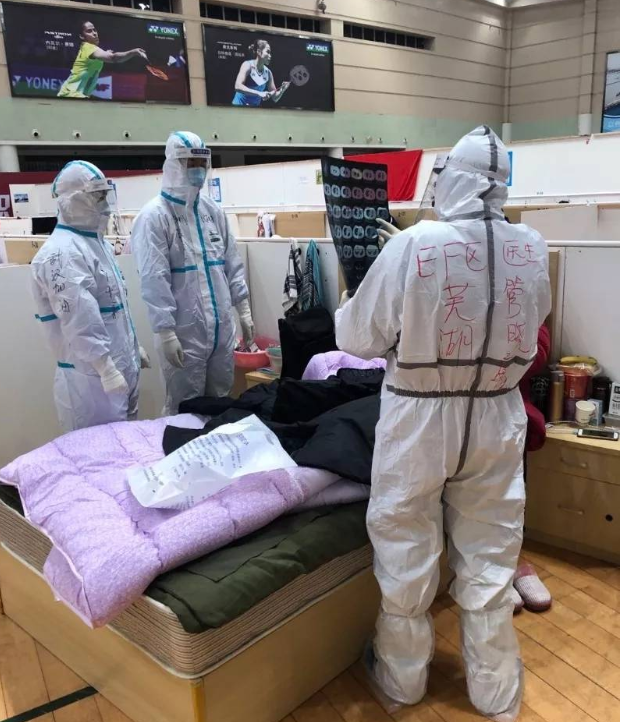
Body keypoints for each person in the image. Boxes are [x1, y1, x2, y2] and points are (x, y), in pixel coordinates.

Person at [336, 126, 551, 720]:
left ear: (451, 177)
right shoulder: (531, 245)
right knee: (492, 548)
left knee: (404, 542)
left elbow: (356, 337)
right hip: (496, 412)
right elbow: (532, 325)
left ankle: (402, 680)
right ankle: (495, 693)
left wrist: (367, 281)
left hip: (419, 415)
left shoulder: (414, 244)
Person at [131, 131, 253, 414]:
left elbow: (231, 263)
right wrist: (165, 332)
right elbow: (154, 280)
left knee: (220, 403)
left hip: (221, 331)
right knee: (184, 410)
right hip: (184, 335)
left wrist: (244, 309)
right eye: (190, 163)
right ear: (174, 164)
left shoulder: (212, 211)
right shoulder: (154, 217)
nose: (198, 170)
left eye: (201, 163)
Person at [31, 161, 149, 432]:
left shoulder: (96, 243)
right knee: (99, 448)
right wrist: (105, 367)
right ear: (71, 200)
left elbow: (114, 309)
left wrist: (133, 349)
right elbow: (80, 320)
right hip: (90, 383)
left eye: (105, 195)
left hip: (117, 370)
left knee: (126, 444)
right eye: (96, 196)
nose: (104, 205)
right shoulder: (62, 253)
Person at [57, 20, 148, 99]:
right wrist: (133, 52)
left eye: (94, 30)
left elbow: (99, 56)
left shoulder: (89, 49)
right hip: (71, 94)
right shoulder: (88, 47)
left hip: (76, 95)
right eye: (89, 31)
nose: (94, 33)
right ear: (81, 36)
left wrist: (106, 53)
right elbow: (113, 58)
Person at [232, 40, 290, 106]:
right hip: (238, 107)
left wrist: (282, 90)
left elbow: (275, 98)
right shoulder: (248, 65)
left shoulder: (268, 73)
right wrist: (259, 93)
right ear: (259, 52)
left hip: (253, 110)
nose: (270, 56)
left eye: (270, 53)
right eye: (268, 52)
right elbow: (238, 86)